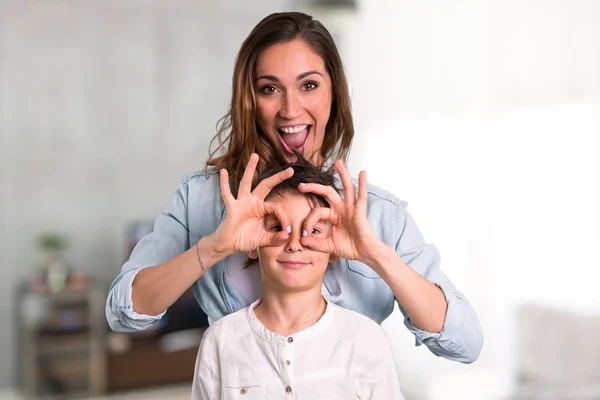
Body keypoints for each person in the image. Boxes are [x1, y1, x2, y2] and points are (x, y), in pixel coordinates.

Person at [105, 11, 483, 364]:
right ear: (249, 101)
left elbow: (465, 344)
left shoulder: (381, 215)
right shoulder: (200, 199)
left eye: (309, 85)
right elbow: (124, 314)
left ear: (334, 93)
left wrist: (377, 256)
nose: (290, 110)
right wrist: (214, 247)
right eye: (270, 89)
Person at [192, 158, 405, 399]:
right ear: (252, 242)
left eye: (313, 230)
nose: (294, 245)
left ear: (334, 246)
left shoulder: (366, 338)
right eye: (276, 228)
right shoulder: (220, 340)